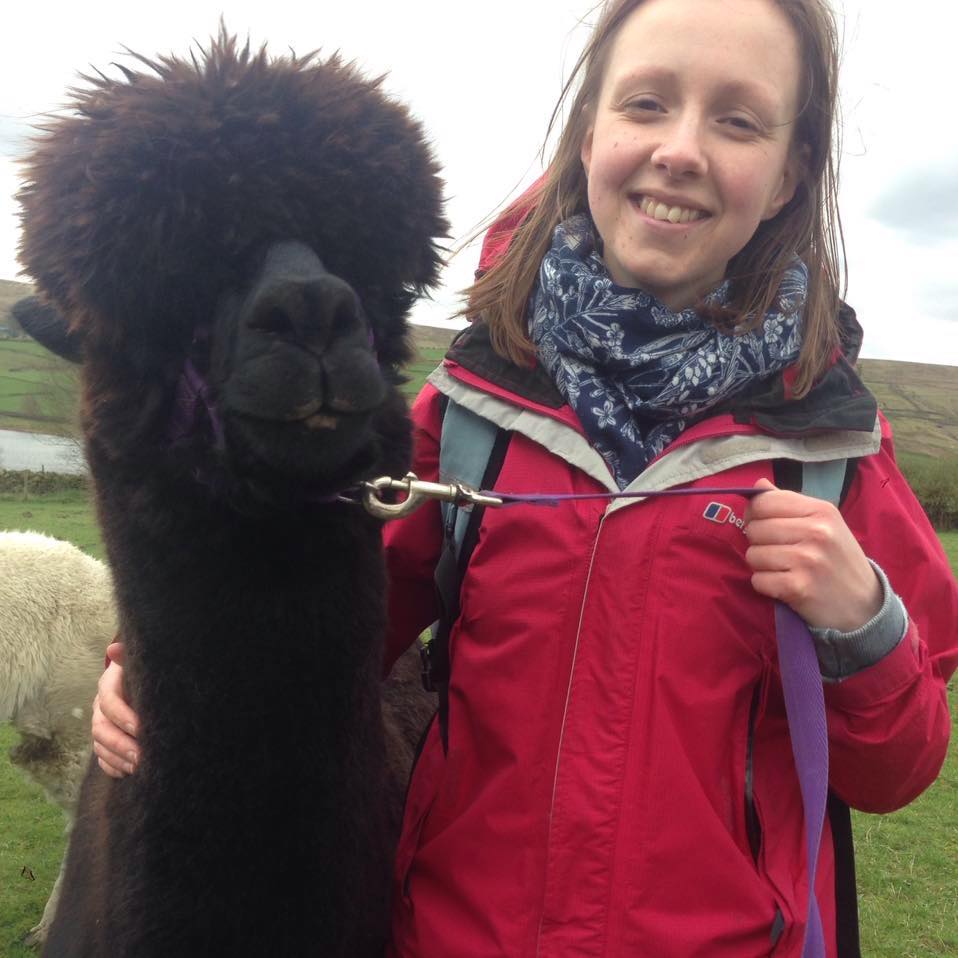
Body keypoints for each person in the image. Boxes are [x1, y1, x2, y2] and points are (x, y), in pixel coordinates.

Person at [92, 0, 958, 955]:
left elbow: (897, 773)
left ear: (793, 171)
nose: (680, 149)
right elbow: (318, 611)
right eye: (646, 103)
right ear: (590, 134)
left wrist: (861, 623)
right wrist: (145, 672)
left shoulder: (834, 453)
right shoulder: (468, 413)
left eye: (738, 119)